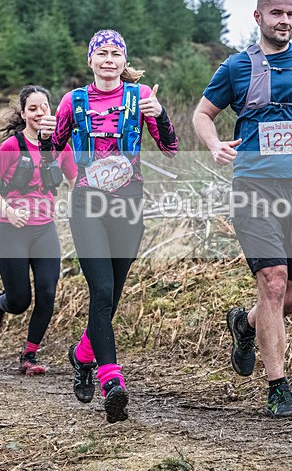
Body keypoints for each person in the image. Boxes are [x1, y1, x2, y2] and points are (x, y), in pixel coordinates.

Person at [192, 0, 292, 419]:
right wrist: (214, 143)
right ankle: (278, 388)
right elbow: (203, 114)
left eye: (291, 14)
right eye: (276, 13)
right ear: (257, 17)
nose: (285, 20)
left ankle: (245, 324)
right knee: (273, 281)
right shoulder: (238, 67)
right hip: (254, 186)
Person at [51, 29, 178, 422]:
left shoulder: (140, 98)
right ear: (90, 60)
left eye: (116, 54)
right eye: (101, 53)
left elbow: (171, 149)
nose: (109, 60)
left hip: (129, 207)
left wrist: (161, 115)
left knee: (111, 299)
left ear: (125, 62)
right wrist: (43, 139)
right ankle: (112, 380)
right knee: (101, 290)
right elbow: (49, 156)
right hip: (87, 204)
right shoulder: (73, 102)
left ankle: (82, 354)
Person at [0, 85, 77, 376]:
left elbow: (75, 183)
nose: (39, 113)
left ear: (52, 111)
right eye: (32, 108)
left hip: (44, 229)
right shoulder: (11, 146)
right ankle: (0, 303)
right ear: (23, 113)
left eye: (44, 107)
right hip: (12, 230)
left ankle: (29, 355)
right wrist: (7, 209)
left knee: (47, 292)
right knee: (20, 301)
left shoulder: (62, 147)